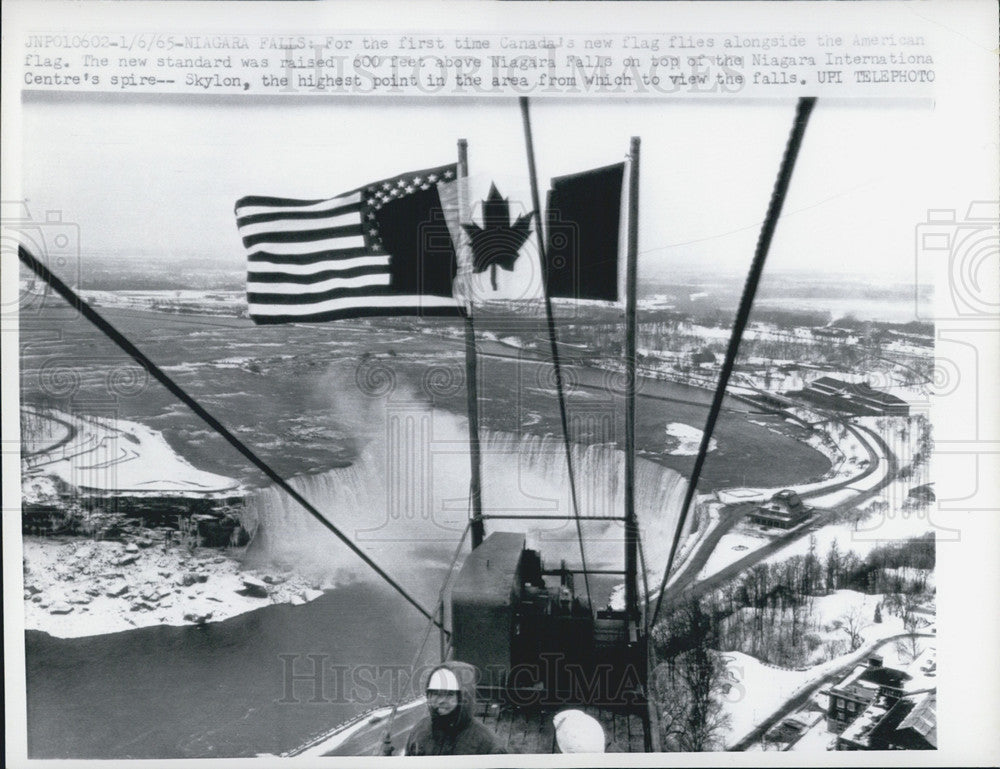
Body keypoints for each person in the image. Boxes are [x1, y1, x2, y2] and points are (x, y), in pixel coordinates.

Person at [404, 661, 506, 755]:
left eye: (449, 694)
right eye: (435, 693)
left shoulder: (488, 745)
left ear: (464, 697)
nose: (441, 701)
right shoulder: (420, 731)